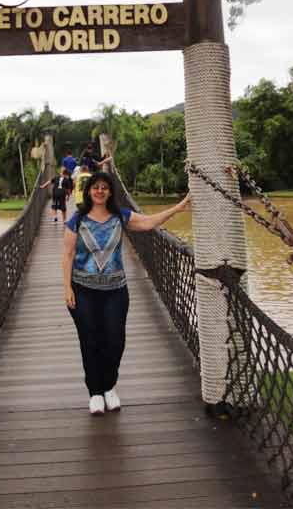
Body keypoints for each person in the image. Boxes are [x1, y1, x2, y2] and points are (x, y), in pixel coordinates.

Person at [62, 171, 191, 415]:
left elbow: (149, 222)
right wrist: (67, 287)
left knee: (115, 340)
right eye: (96, 187)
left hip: (115, 291)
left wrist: (179, 207)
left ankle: (110, 386)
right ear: (89, 190)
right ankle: (96, 393)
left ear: (110, 192)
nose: (100, 191)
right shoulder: (77, 219)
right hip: (83, 290)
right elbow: (67, 254)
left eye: (105, 188)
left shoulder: (120, 216)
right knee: (90, 342)